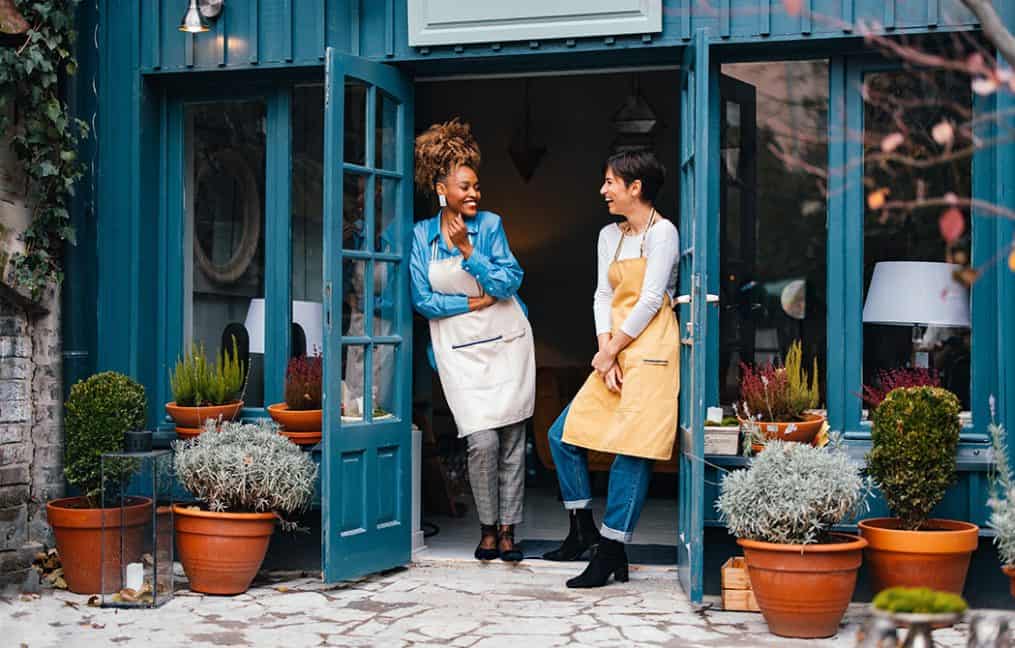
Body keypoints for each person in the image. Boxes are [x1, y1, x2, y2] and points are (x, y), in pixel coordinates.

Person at [543, 149, 680, 588]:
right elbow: (603, 296)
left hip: (652, 350)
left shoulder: (663, 233)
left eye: (609, 182)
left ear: (634, 188)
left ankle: (611, 550)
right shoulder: (609, 235)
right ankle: (582, 529)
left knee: (633, 451)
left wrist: (614, 349)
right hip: (615, 351)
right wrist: (606, 352)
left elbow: (651, 299)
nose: (603, 190)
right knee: (562, 435)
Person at [410, 119, 536, 562]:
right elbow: (422, 300)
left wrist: (469, 251)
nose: (474, 194)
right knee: (482, 442)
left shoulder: (490, 226)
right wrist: (471, 303)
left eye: (477, 187)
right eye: (465, 187)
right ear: (441, 188)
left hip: (506, 344)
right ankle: (486, 526)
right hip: (459, 353)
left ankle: (507, 531)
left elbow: (509, 281)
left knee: (513, 440)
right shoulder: (421, 236)